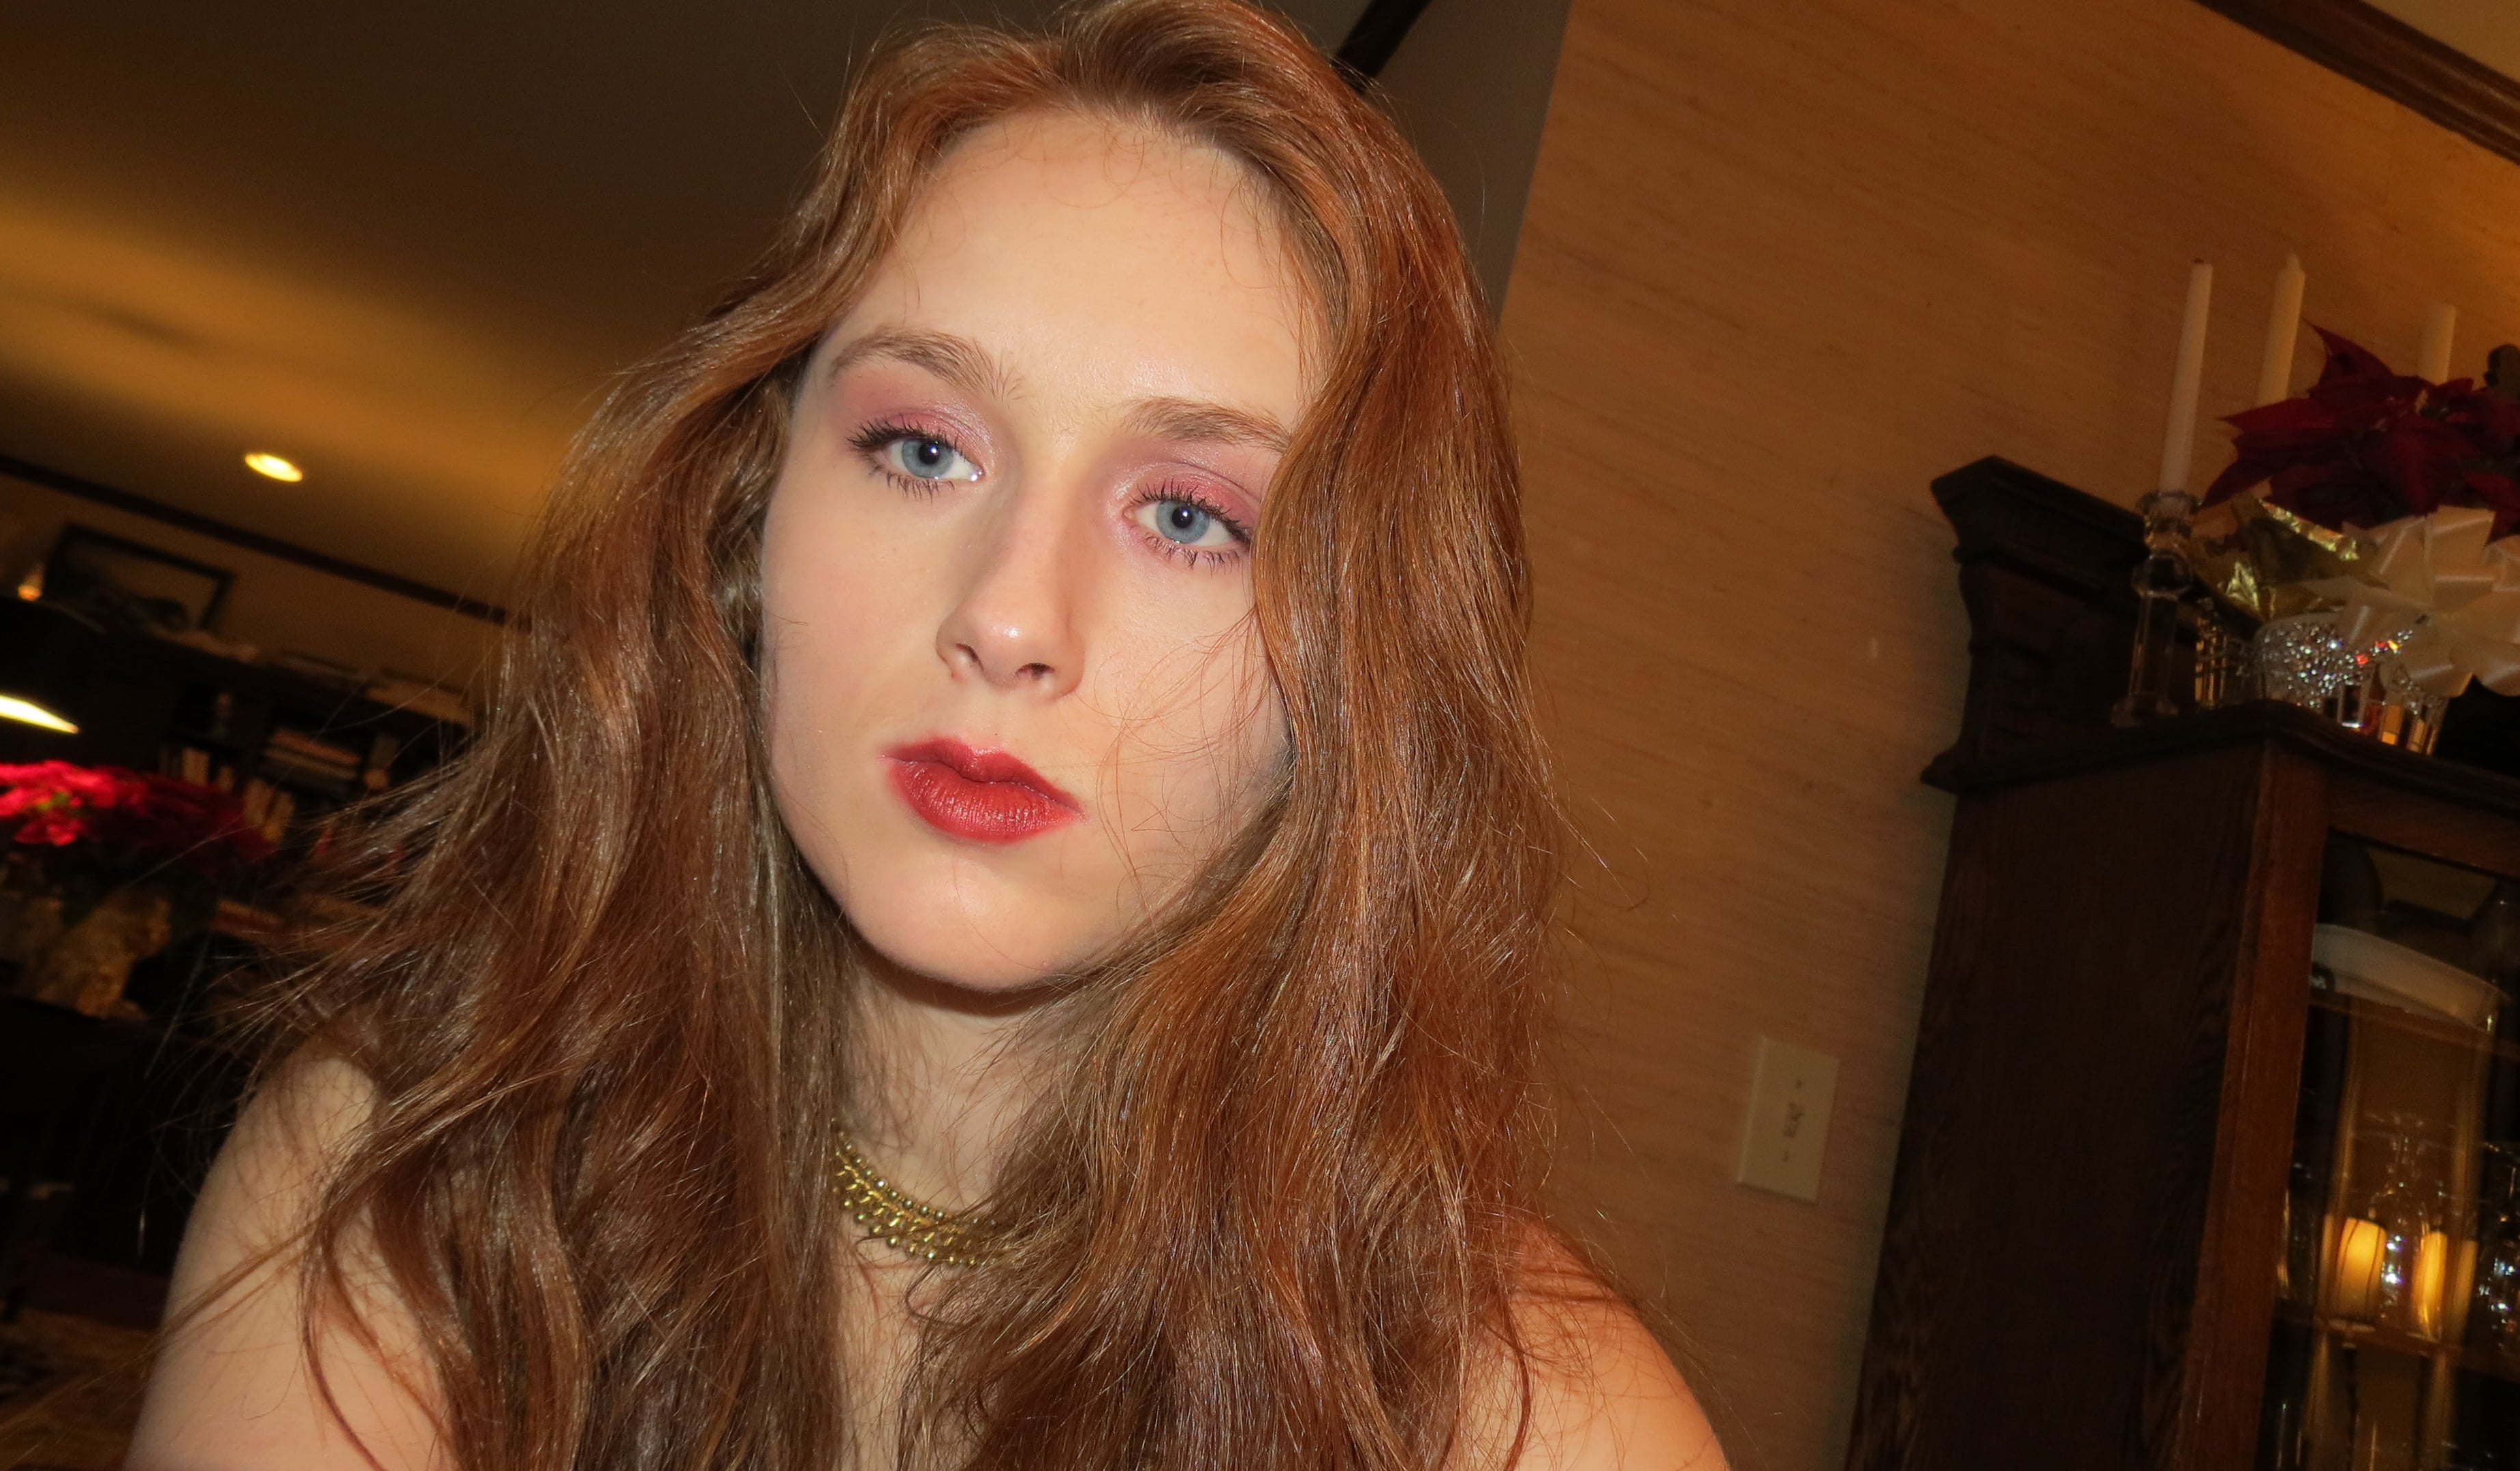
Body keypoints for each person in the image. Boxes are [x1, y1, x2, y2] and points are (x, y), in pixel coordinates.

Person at [128, 3, 1724, 1468]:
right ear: (746, 524)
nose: (1009, 616)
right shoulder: (391, 1189)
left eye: (1189, 516)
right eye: (920, 448)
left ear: (1361, 673)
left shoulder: (1544, 1430)